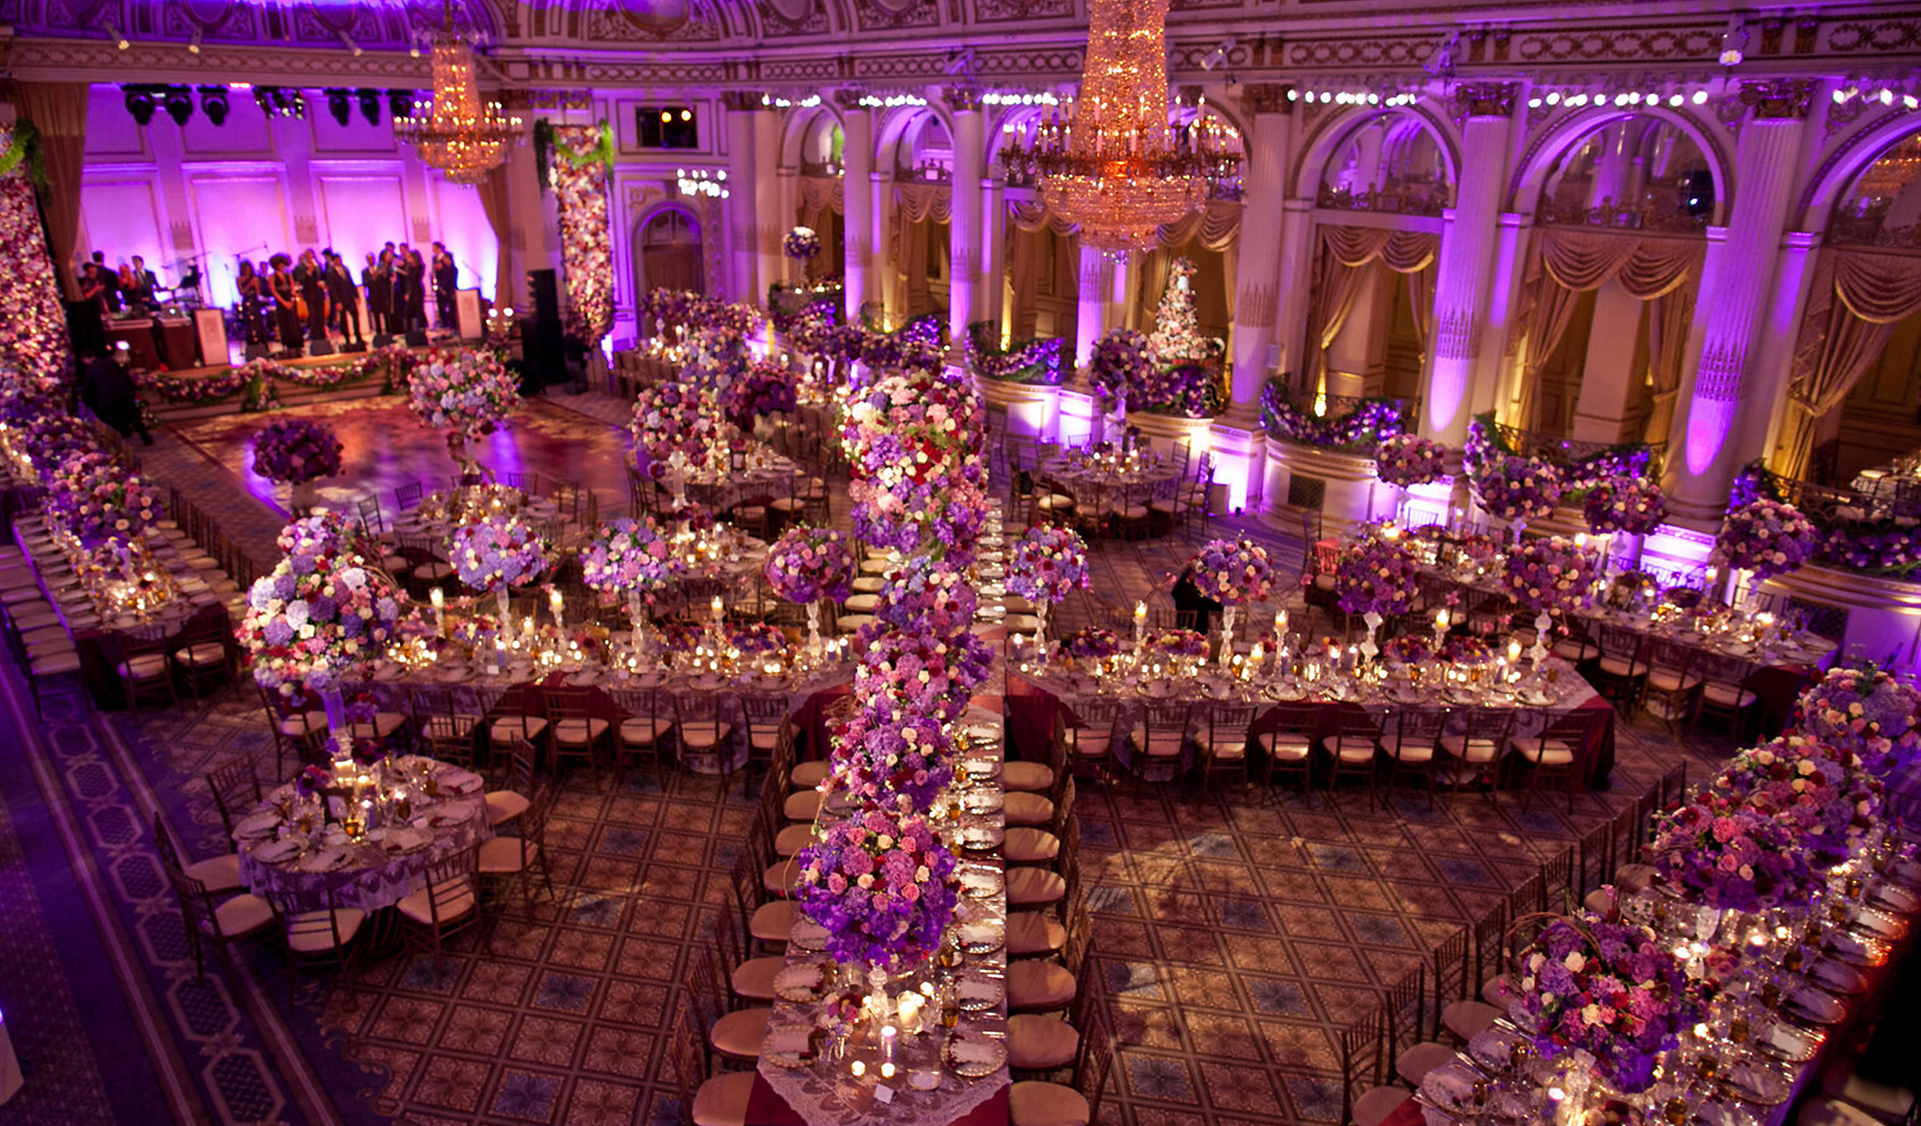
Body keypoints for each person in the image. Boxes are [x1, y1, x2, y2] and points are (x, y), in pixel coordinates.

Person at [78, 344, 152, 445]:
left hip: (107, 399)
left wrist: (85, 400)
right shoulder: (110, 362)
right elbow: (124, 375)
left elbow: (88, 388)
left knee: (115, 421)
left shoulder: (90, 370)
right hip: (123, 393)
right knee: (133, 417)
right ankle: (146, 437)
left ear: (85, 359)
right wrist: (132, 388)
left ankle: (122, 442)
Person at [1170, 564, 1221, 635]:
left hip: (1192, 623)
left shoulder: (1204, 585)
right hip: (1192, 623)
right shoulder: (1188, 581)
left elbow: (1175, 593)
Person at [325, 250, 363, 346]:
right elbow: (332, 288)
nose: (339, 261)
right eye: (337, 260)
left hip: (349, 297)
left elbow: (351, 283)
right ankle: (347, 339)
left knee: (355, 317)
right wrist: (337, 301)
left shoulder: (345, 269)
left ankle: (358, 337)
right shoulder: (330, 272)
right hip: (341, 299)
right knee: (343, 320)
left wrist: (356, 295)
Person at [268, 253, 302, 353]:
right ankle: (287, 344)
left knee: (293, 322)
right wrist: (284, 303)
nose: (281, 266)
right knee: (284, 323)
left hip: (289, 300)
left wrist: (291, 300)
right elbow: (274, 291)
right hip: (281, 302)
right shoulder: (272, 277)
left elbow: (292, 289)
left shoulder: (288, 276)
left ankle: (297, 343)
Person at [294, 248, 328, 344]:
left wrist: (323, 283)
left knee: (321, 315)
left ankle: (322, 335)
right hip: (309, 295)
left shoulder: (317, 265)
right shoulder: (300, 268)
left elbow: (323, 276)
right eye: (308, 256)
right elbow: (300, 280)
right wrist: (308, 272)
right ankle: (315, 336)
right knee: (313, 316)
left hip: (319, 294)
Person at [236, 259, 268, 346]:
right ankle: (251, 342)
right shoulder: (239, 279)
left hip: (254, 301)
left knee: (257, 321)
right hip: (246, 300)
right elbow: (242, 292)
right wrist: (249, 284)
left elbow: (258, 293)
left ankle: (261, 342)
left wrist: (256, 286)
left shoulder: (254, 278)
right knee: (249, 323)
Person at [432, 241, 458, 328]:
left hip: (449, 290)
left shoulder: (452, 268)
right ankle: (445, 323)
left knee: (451, 308)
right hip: (442, 288)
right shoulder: (435, 260)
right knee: (442, 306)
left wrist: (444, 288)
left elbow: (450, 280)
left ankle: (453, 324)